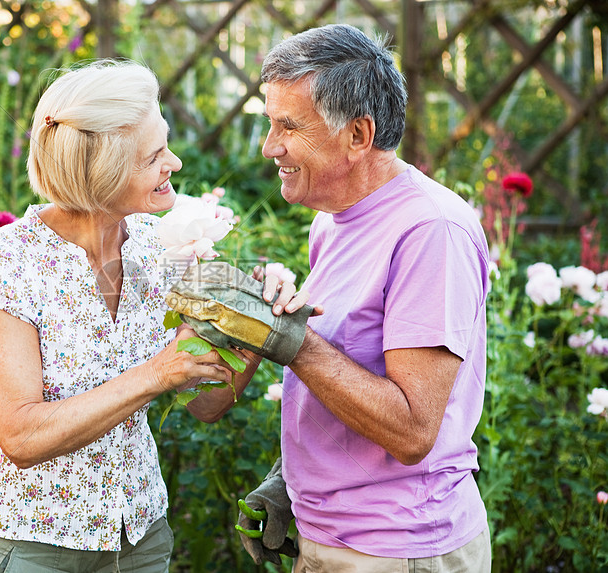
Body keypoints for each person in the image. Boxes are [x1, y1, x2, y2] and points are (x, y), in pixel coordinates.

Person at [0, 60, 307, 573]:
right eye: (155, 155)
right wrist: (157, 373)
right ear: (104, 170)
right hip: (28, 541)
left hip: (138, 539)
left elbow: (205, 406)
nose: (176, 163)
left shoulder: (154, 246)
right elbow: (21, 437)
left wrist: (248, 325)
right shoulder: (13, 261)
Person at [237, 24, 493, 572]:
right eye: (270, 124)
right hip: (334, 538)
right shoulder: (332, 222)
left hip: (398, 547)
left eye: (289, 127)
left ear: (358, 135)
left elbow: (412, 429)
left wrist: (293, 344)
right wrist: (290, 484)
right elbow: (349, 370)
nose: (270, 147)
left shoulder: (430, 231)